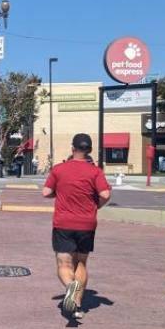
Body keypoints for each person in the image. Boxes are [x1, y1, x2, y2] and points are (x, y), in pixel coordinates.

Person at [42, 133, 112, 319]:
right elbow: (105, 194)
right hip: (87, 224)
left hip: (64, 222)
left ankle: (69, 286)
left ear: (73, 148)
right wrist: (96, 206)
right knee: (81, 262)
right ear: (89, 150)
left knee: (64, 263)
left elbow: (46, 192)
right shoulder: (95, 172)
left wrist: (57, 193)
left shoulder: (59, 169)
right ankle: (77, 305)